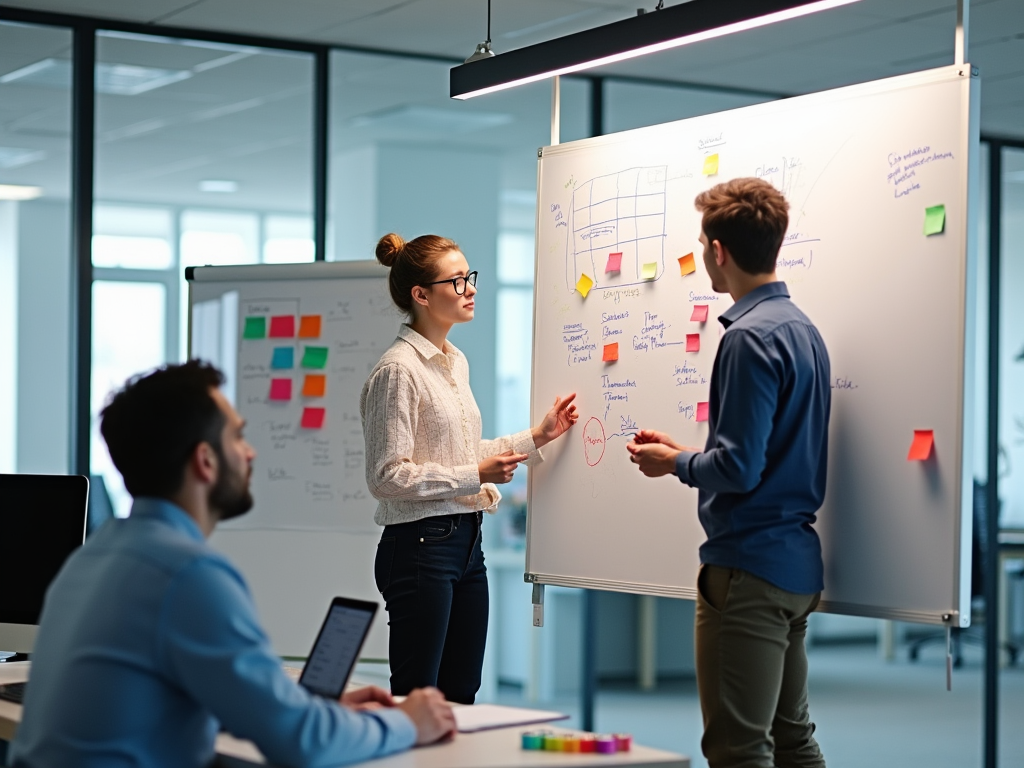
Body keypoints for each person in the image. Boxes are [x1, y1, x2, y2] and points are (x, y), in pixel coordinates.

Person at [11, 361, 455, 768]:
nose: (250, 453)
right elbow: (304, 742)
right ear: (205, 461)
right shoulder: (187, 575)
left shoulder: (95, 557)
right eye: (238, 437)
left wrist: (297, 707)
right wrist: (409, 722)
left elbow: (166, 695)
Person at [626, 178, 831, 768]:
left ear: (718, 250)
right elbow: (768, 455)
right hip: (794, 567)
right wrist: (691, 453)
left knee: (738, 749)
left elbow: (739, 469)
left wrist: (675, 464)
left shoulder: (746, 338)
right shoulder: (802, 330)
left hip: (747, 571)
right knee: (793, 740)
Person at [361, 232, 578, 705]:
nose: (470, 289)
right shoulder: (398, 370)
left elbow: (460, 451)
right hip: (419, 546)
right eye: (456, 281)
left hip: (465, 542)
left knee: (462, 692)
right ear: (421, 295)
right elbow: (386, 476)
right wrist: (475, 475)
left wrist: (537, 436)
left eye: (469, 277)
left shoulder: (454, 362)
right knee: (420, 697)